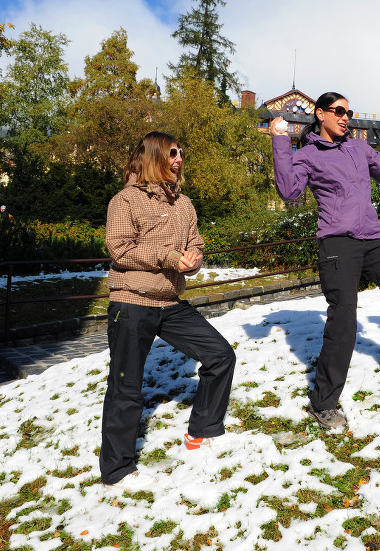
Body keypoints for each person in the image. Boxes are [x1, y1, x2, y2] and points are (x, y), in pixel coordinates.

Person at [270, 92, 380, 430]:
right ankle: (324, 403)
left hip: (372, 239)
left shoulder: (359, 148)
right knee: (344, 319)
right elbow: (289, 191)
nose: (346, 117)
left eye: (349, 112)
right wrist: (280, 142)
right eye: (339, 111)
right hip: (336, 243)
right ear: (320, 115)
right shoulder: (308, 154)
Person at [100, 131, 236, 491]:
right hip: (131, 302)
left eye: (181, 153)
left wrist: (193, 261)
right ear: (152, 157)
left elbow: (196, 245)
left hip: (171, 304)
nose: (178, 159)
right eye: (172, 153)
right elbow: (120, 250)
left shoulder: (185, 204)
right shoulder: (125, 201)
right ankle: (117, 471)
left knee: (220, 356)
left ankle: (203, 432)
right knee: (126, 387)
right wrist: (170, 256)